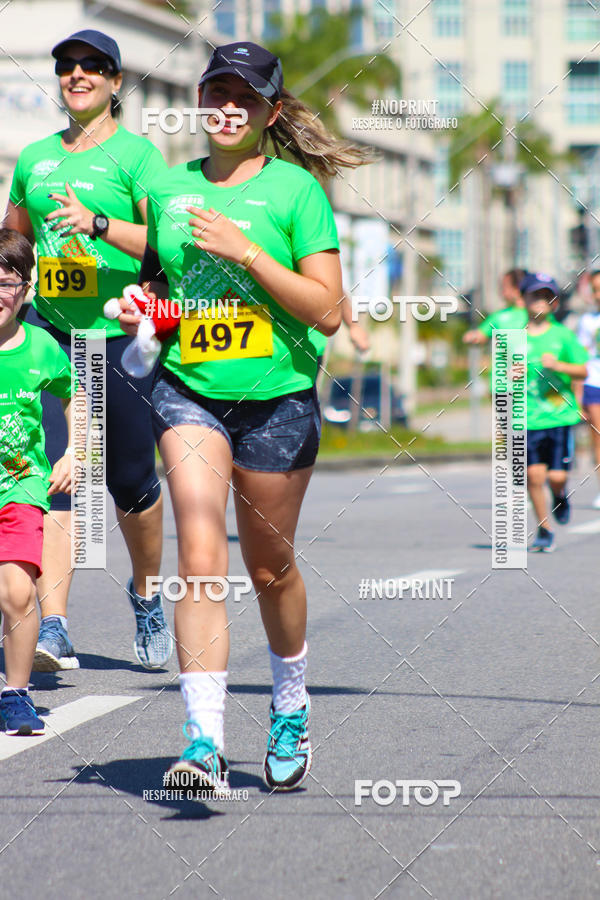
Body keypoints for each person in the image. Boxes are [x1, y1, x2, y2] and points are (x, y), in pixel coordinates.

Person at [117, 41, 373, 793]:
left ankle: (290, 707)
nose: (227, 107)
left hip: (278, 401)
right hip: (188, 390)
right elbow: (168, 290)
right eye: (215, 92)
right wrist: (149, 311)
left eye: (245, 96)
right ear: (199, 101)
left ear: (268, 111)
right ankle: (202, 741)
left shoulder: (296, 192)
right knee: (200, 553)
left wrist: (248, 252)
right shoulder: (166, 188)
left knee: (269, 567)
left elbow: (326, 311)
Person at [3, 30, 172, 671]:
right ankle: (55, 626)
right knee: (49, 476)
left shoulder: (139, 158)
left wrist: (97, 224)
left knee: (128, 480)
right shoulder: (35, 159)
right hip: (50, 337)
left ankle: (148, 592)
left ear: (114, 81)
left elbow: (168, 246)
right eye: (67, 66)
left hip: (123, 340)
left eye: (92, 67)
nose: (77, 75)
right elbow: (12, 242)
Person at [0, 229, 80, 734]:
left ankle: (16, 694)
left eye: (8, 283)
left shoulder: (42, 348)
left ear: (27, 290)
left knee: (17, 594)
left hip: (20, 487)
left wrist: (75, 451)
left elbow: (78, 396)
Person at [519, 273, 588, 552]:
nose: (540, 302)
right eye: (535, 296)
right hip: (527, 418)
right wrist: (509, 374)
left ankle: (561, 496)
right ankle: (544, 529)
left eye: (546, 297)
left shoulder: (562, 335)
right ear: (523, 299)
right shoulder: (514, 338)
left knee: (556, 477)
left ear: (554, 303)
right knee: (534, 476)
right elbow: (495, 380)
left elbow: (582, 370)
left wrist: (559, 366)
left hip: (559, 418)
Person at [576, 269, 600, 508]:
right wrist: (578, 395)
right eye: (595, 289)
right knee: (598, 440)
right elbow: (580, 359)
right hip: (595, 384)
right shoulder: (587, 321)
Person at [463, 268, 527, 344]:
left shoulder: (500, 316)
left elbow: (478, 337)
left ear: (517, 288)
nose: (502, 290)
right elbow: (480, 335)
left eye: (504, 286)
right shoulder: (499, 316)